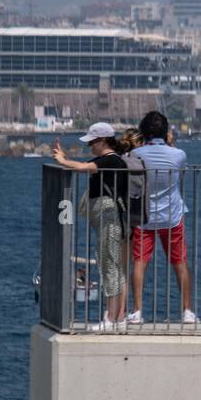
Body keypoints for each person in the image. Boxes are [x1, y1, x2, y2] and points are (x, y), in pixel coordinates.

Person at [52, 122, 129, 330]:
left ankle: (111, 320)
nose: (90, 146)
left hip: (109, 218)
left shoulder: (111, 160)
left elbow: (84, 167)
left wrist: (62, 160)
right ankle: (117, 318)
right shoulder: (110, 159)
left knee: (109, 267)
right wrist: (65, 158)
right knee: (112, 266)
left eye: (92, 142)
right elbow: (86, 164)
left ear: (103, 140)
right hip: (108, 219)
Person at [129, 111, 195, 324]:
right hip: (172, 215)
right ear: (166, 132)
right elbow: (181, 172)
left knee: (139, 262)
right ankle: (187, 312)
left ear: (143, 131)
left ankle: (137, 311)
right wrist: (172, 144)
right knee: (180, 262)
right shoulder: (179, 154)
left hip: (144, 216)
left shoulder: (136, 154)